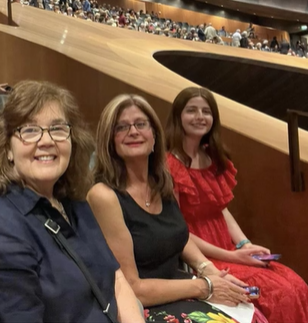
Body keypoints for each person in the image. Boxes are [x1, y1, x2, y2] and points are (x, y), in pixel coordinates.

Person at [0, 81, 145, 323]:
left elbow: (115, 277)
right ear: (8, 149)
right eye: (29, 130)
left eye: (57, 129)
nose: (46, 141)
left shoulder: (74, 202)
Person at [88, 94, 269, 323]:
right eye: (121, 127)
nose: (133, 131)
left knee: (255, 308)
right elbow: (133, 288)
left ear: (154, 135)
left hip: (181, 286)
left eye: (141, 124)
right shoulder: (104, 196)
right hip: (140, 305)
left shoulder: (162, 181)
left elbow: (179, 236)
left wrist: (209, 270)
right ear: (109, 141)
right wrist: (205, 286)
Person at [164, 86, 308, 323]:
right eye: (192, 110)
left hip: (229, 249)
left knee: (296, 284)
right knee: (274, 293)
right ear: (178, 116)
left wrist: (245, 244)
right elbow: (179, 231)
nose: (200, 116)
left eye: (206, 111)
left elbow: (221, 209)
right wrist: (233, 256)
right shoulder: (169, 164)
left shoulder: (213, 157)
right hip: (200, 258)